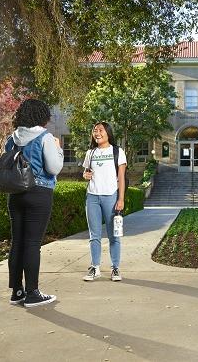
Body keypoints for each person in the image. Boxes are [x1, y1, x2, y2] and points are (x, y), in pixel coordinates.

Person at [6, 99, 64, 307]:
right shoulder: (45, 137)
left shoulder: (12, 138)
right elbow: (54, 168)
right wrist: (58, 148)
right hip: (38, 192)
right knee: (32, 244)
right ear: (42, 116)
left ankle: (17, 291)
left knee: (18, 242)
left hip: (15, 194)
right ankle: (32, 293)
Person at [82, 121, 127, 282]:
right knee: (94, 235)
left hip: (111, 197)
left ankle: (115, 268)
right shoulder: (91, 153)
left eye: (100, 130)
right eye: (95, 130)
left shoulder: (117, 151)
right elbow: (86, 172)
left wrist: (121, 198)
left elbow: (121, 177)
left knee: (114, 235)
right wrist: (85, 175)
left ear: (108, 133)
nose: (97, 133)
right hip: (92, 197)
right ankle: (95, 267)